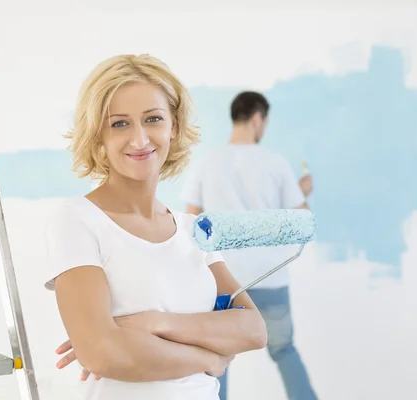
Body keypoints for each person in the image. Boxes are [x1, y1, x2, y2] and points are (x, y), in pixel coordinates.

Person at [43, 55, 268, 400]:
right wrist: (210, 357)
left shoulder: (196, 229)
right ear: (98, 132)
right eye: (119, 124)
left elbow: (253, 329)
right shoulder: (77, 219)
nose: (139, 139)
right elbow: (102, 353)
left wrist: (156, 324)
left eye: (153, 119)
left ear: (173, 127)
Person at [180, 91, 317, 400]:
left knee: (218, 360)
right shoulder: (276, 163)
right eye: (264, 121)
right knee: (284, 350)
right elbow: (301, 221)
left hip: (224, 281)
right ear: (257, 119)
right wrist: (302, 191)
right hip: (272, 278)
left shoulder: (207, 162)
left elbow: (190, 220)